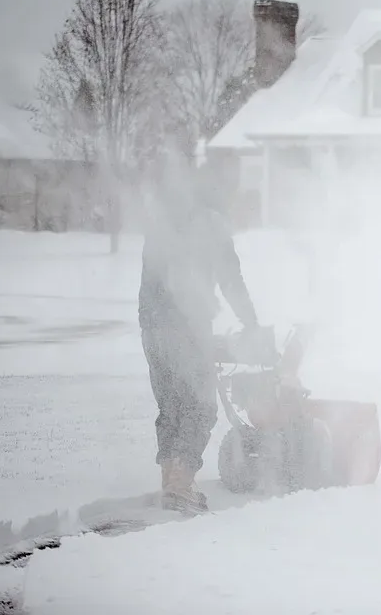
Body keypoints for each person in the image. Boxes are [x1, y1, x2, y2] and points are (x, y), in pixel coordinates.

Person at [138, 177, 260, 514]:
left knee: (172, 405)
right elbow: (231, 280)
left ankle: (170, 479)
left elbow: (155, 283)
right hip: (186, 326)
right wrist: (250, 323)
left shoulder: (161, 225)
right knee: (200, 406)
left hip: (150, 326)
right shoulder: (212, 225)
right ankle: (181, 484)